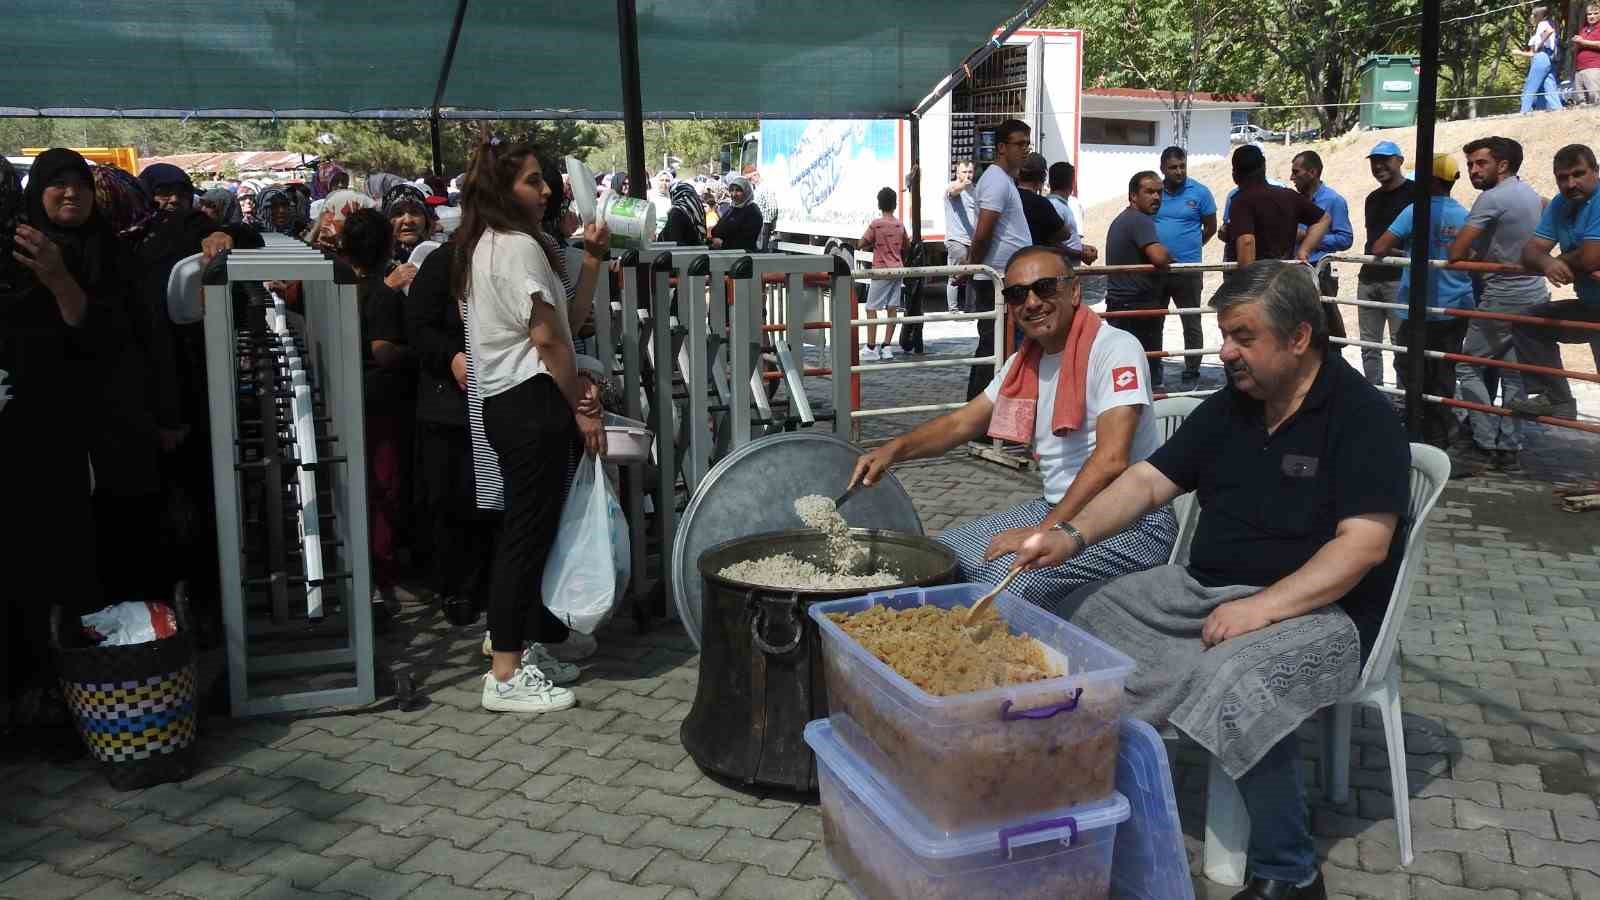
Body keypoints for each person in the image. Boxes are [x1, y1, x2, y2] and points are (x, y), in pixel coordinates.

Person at [1014, 260, 1409, 900]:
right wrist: (1071, 536)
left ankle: (1290, 870)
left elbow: (1364, 547)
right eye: (1224, 335)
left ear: (1300, 337)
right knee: (1069, 618)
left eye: (1243, 337)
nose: (1224, 352)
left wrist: (1267, 609)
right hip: (1204, 588)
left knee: (1237, 676)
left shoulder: (1362, 417)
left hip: (1324, 611)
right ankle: (1091, 808)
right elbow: (1147, 480)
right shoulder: (1231, 406)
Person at [849, 246, 1176, 608]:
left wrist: (1043, 531)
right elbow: (962, 423)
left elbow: (1112, 459)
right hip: (1057, 506)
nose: (1032, 302)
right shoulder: (1026, 362)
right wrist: (894, 450)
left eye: (1045, 287)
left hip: (1131, 520)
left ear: (1074, 291)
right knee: (942, 557)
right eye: (1018, 293)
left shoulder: (1114, 348)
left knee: (1005, 586)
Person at [453, 137, 608, 713]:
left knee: (530, 534)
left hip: (508, 404)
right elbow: (549, 341)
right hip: (530, 404)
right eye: (532, 181)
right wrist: (581, 407)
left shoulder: (485, 245)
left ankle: (523, 647)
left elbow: (567, 319)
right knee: (524, 538)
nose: (545, 192)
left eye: (544, 181)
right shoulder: (517, 247)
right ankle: (506, 673)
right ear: (502, 189)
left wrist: (590, 260)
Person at [1, 150, 129, 752]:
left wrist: (57, 275)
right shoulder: (12, 250)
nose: (69, 195)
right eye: (56, 185)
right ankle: (30, 688)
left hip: (88, 428)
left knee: (81, 553)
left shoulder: (106, 253)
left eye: (78, 184)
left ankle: (84, 692)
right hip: (21, 424)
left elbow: (97, 329)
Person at [1448, 136, 1548, 474]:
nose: (1473, 170)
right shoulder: (1531, 194)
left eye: (1481, 163)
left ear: (1502, 165)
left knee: (1467, 366)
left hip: (1503, 296)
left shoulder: (1492, 198)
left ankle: (1484, 441)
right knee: (1513, 372)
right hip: (1534, 293)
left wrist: (1469, 251)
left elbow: (1455, 252)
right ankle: (1509, 448)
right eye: (1471, 164)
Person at [339, 209, 416, 626]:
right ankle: (381, 579)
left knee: (360, 489)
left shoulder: (335, 284)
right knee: (383, 490)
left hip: (348, 398)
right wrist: (416, 354)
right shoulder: (381, 294)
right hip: (381, 402)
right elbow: (383, 351)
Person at [1371, 154, 1474, 448]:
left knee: (1409, 367)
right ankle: (1440, 432)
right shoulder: (1465, 215)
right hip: (1455, 308)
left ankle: (1426, 427)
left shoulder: (1415, 211)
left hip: (1418, 308)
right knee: (1443, 374)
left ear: (1429, 182)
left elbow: (1380, 246)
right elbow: (1476, 254)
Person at [1512, 143, 1600, 420]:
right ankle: (1557, 399)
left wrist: (1560, 257)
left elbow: (1591, 259)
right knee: (1529, 322)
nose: (1570, 183)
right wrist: (1548, 262)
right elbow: (1530, 250)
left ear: (1596, 172)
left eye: (1578, 174)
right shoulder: (1561, 203)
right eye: (1563, 177)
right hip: (1591, 305)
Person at [959, 119, 1036, 399]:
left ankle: (990, 417)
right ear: (1002, 148)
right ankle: (979, 419)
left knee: (1005, 348)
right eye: (1019, 144)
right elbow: (983, 233)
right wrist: (970, 268)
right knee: (995, 348)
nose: (1025, 150)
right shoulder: (995, 180)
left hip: (1007, 278)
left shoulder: (1004, 181)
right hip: (996, 280)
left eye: (1027, 144)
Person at [1153, 146, 1217, 387]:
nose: (1179, 171)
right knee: (1154, 321)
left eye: (1182, 166)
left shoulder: (1200, 193)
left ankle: (1192, 368)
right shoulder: (1154, 192)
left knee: (1191, 321)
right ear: (1163, 169)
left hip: (1188, 270)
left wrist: (1192, 246)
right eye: (1173, 167)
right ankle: (1154, 366)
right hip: (1157, 270)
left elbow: (1210, 227)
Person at [1105, 172, 1172, 388]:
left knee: (1127, 372)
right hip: (1136, 309)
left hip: (1123, 307)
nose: (1156, 197)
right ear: (1133, 196)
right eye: (1150, 192)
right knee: (1144, 376)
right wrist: (1170, 256)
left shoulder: (1126, 218)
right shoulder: (1139, 220)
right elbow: (1159, 257)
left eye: (1160, 192)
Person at [1357, 141, 1413, 386]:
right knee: (1369, 346)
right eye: (1374, 161)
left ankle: (1403, 401)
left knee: (1401, 345)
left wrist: (1395, 252)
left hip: (1399, 280)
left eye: (1385, 160)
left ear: (1400, 161)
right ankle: (1374, 395)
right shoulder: (1372, 198)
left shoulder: (1417, 194)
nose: (1378, 166)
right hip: (1368, 277)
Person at [1224, 145, 1331, 267]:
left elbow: (1247, 242)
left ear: (1235, 173)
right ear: (1264, 167)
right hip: (1284, 275)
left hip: (1258, 279)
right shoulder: (1289, 196)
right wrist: (1304, 251)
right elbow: (1323, 219)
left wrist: (1249, 280)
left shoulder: (1240, 201)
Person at [1289, 151, 1354, 337]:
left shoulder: (1334, 200)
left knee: (1325, 326)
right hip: (1295, 270)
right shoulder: (1295, 199)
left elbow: (1345, 238)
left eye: (1296, 172)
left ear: (1312, 172)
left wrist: (1310, 238)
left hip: (1320, 271)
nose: (1292, 177)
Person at [860, 187, 908, 360]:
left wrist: (873, 244)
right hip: (897, 269)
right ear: (895, 204)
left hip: (881, 270)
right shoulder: (899, 224)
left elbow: (861, 243)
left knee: (871, 307)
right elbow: (906, 245)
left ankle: (871, 347)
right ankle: (887, 347)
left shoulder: (876, 224)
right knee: (892, 307)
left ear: (879, 204)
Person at [1047, 161, 1104, 307]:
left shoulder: (1061, 205)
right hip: (1060, 273)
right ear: (1071, 183)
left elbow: (1065, 240)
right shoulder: (1057, 207)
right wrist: (1080, 254)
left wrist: (1082, 247)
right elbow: (1051, 244)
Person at [944, 159, 978, 314]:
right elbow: (954, 190)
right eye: (964, 171)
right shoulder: (953, 186)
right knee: (956, 275)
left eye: (970, 171)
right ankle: (953, 309)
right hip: (956, 239)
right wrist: (965, 183)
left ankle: (970, 309)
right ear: (957, 173)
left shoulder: (975, 190)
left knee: (972, 275)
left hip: (973, 240)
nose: (967, 175)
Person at [1518, 6, 1565, 113]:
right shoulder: (1539, 28)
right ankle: (1557, 108)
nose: (1530, 17)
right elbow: (1531, 52)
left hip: (1542, 56)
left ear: (1536, 16)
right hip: (1548, 58)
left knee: (1530, 85)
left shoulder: (1542, 24)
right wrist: (1520, 52)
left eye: (1532, 15)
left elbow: (1549, 31)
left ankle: (1525, 110)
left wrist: (1540, 44)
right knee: (1549, 84)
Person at [1015, 153, 1067, 248]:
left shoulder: (1010, 196)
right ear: (1042, 177)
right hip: (1035, 256)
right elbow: (1064, 234)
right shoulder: (1041, 203)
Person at [710, 175, 762, 252]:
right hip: (725, 254)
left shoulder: (752, 211)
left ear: (746, 191)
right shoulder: (733, 208)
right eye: (731, 190)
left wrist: (723, 243)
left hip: (741, 256)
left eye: (738, 190)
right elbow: (718, 228)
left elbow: (746, 240)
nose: (733, 194)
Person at [658, 180, 708, 246]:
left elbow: (674, 241)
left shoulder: (676, 212)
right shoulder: (697, 210)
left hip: (680, 254)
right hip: (696, 252)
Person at [1573, 3, 1600, 104]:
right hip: (1579, 69)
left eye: (1595, 13)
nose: (1592, 16)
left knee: (1595, 98)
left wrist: (1583, 42)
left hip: (1594, 68)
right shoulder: (1584, 29)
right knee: (1581, 101)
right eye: (1589, 14)